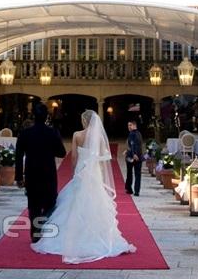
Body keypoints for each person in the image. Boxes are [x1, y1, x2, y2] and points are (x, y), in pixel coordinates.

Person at [31, 110, 136, 264]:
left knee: (74, 203)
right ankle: (97, 238)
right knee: (95, 202)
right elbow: (102, 159)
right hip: (94, 172)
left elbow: (73, 157)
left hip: (81, 171)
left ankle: (70, 237)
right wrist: (98, 173)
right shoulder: (99, 137)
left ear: (84, 121)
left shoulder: (77, 135)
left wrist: (74, 172)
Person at [15, 103, 67, 243]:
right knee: (50, 203)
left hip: (31, 174)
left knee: (33, 205)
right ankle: (44, 227)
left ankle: (35, 232)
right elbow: (62, 153)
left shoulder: (25, 133)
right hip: (48, 174)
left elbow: (18, 156)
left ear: (33, 116)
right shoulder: (52, 132)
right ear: (46, 117)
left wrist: (19, 177)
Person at [124, 120, 143, 197]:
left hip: (132, 156)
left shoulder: (132, 134)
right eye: (128, 125)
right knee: (137, 174)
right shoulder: (139, 134)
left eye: (130, 125)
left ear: (134, 125)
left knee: (130, 173)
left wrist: (134, 154)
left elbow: (132, 144)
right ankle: (136, 191)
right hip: (138, 156)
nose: (129, 127)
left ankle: (129, 189)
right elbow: (136, 145)